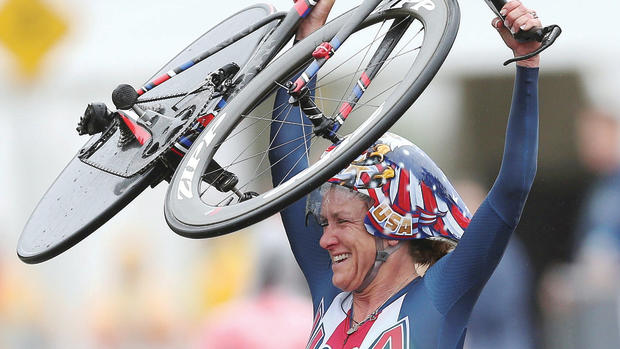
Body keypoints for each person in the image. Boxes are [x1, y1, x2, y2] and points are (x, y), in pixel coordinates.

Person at [269, 0, 542, 347]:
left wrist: (528, 62)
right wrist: (307, 46)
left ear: (393, 226)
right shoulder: (329, 288)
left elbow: (513, 188)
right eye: (325, 223)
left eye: (342, 221)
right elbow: (287, 170)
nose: (324, 240)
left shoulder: (441, 293)